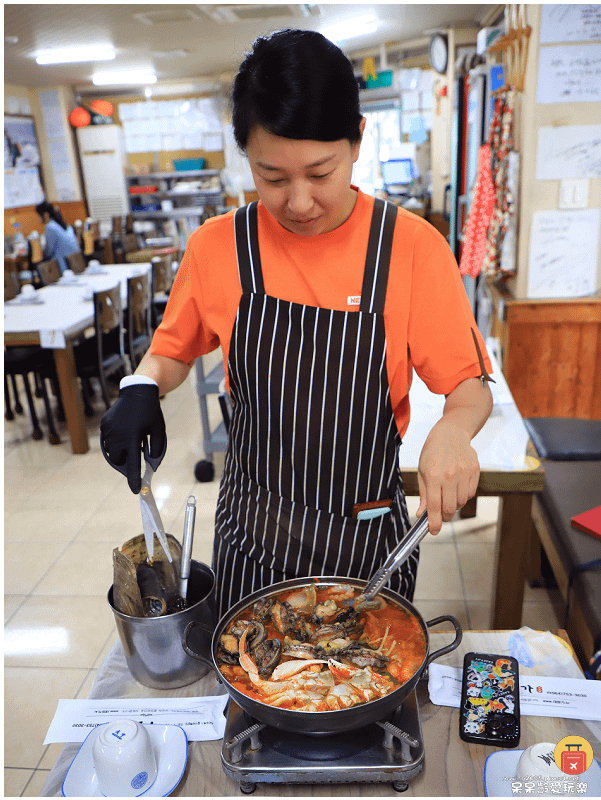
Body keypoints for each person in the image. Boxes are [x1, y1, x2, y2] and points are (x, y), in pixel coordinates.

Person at [100, 28, 493, 619]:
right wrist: (141, 388)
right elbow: (173, 351)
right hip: (252, 536)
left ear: (357, 141)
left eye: (320, 172)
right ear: (247, 158)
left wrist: (455, 431)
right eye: (273, 178)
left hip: (364, 545)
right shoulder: (219, 247)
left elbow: (469, 387)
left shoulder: (410, 248)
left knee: (358, 693)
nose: (301, 202)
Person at [35, 200, 80, 273]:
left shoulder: (50, 227)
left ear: (46, 215)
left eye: (38, 215)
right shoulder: (65, 225)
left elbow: (48, 251)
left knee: (38, 265)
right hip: (76, 263)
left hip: (64, 267)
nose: (37, 218)